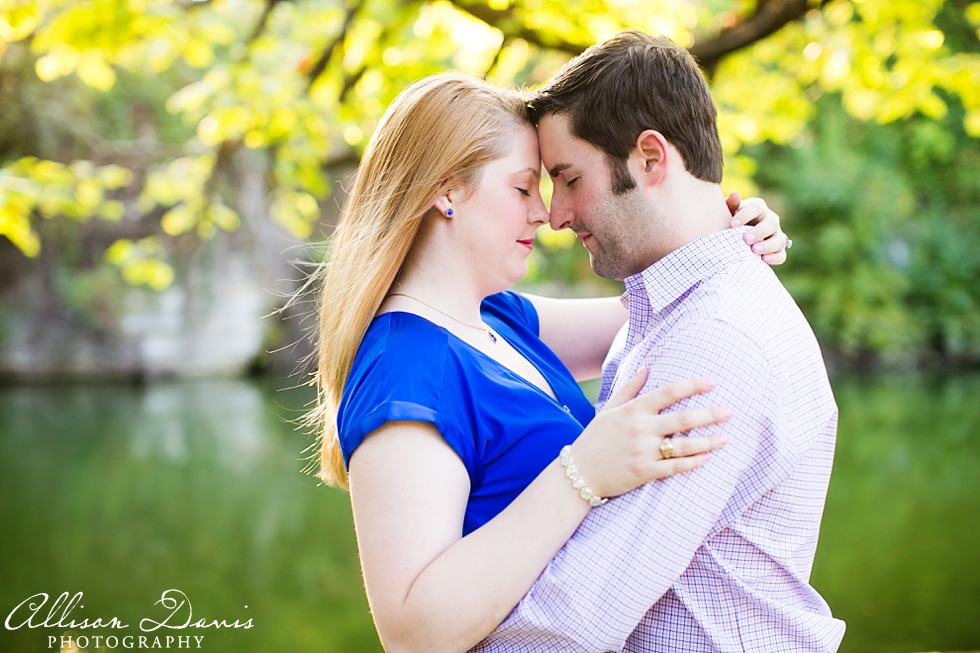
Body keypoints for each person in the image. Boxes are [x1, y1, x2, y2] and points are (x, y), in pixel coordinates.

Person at [307, 73, 788, 653]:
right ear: (447, 191)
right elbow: (412, 632)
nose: (545, 213)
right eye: (522, 188)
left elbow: (666, 312)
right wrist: (580, 473)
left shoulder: (496, 317)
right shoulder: (404, 370)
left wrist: (726, 235)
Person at [473, 31, 845, 653]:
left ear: (650, 158)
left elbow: (575, 620)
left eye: (569, 178)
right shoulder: (668, 314)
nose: (556, 215)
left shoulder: (714, 340)